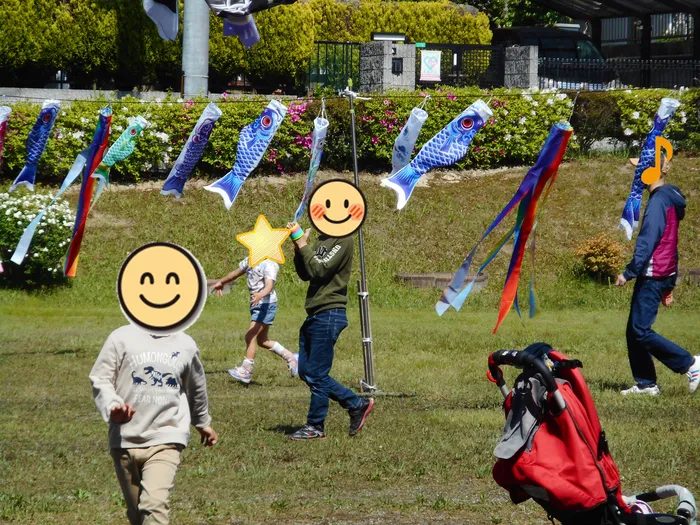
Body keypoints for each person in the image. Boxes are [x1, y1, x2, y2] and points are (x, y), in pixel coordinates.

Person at [89, 324, 218, 525]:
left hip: (167, 437)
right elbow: (101, 378)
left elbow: (196, 387)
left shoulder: (185, 344)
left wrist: (202, 422)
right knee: (136, 515)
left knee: (153, 506)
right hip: (124, 440)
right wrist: (113, 406)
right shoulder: (120, 337)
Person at [616, 153, 699, 396]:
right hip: (662, 272)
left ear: (651, 171)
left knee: (641, 330)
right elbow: (671, 245)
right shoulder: (668, 198)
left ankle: (689, 364)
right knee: (634, 331)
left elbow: (648, 240)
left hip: (652, 273)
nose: (637, 173)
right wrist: (669, 285)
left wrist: (629, 272)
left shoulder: (657, 202)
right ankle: (646, 384)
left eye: (640, 168)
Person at [286, 222, 374, 440]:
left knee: (316, 373)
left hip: (330, 313)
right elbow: (306, 273)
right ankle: (355, 404)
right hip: (315, 312)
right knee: (306, 371)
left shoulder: (344, 240)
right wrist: (299, 248)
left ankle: (315, 426)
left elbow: (320, 269)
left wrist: (303, 244)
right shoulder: (322, 240)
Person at [212, 257, 297, 384]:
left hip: (266, 305)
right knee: (262, 341)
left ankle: (246, 370)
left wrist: (260, 295)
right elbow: (235, 273)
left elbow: (269, 285)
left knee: (250, 336)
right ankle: (290, 357)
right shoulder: (251, 259)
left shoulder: (269, 264)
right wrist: (222, 282)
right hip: (256, 304)